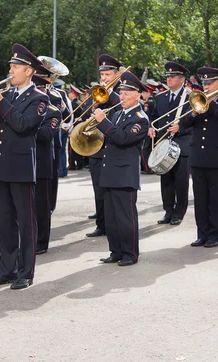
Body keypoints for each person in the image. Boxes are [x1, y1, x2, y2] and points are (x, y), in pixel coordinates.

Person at [0, 43, 49, 290]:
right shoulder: (5, 95)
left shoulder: (40, 98)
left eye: (16, 67)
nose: (11, 71)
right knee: (4, 222)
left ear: (29, 71)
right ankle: (6, 269)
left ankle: (25, 272)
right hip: (0, 164)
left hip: (20, 166)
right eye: (11, 66)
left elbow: (23, 125)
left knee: (26, 222)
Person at [94, 71, 149, 266]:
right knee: (111, 217)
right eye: (121, 93)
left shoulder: (140, 118)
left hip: (125, 174)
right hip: (110, 171)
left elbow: (123, 138)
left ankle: (130, 253)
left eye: (126, 93)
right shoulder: (117, 114)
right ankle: (115, 251)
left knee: (126, 217)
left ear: (138, 95)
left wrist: (103, 122)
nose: (122, 97)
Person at [182, 67, 218, 248]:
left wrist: (213, 104)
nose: (206, 87)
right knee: (200, 199)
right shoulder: (196, 100)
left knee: (216, 199)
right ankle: (202, 234)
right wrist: (193, 113)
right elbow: (183, 124)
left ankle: (215, 235)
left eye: (210, 83)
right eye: (204, 83)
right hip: (198, 157)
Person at [147, 62, 192, 226]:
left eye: (172, 77)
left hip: (182, 144)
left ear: (182, 79)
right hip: (163, 143)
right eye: (168, 76)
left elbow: (195, 120)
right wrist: (151, 128)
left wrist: (181, 127)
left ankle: (179, 212)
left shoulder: (190, 97)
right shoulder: (160, 97)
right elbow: (153, 116)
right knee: (166, 181)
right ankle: (168, 211)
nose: (169, 79)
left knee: (181, 182)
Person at [86, 54, 122, 238]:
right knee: (98, 191)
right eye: (102, 75)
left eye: (108, 75)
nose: (104, 79)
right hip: (96, 148)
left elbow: (121, 117)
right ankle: (101, 225)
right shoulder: (97, 93)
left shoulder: (123, 93)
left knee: (112, 193)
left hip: (113, 148)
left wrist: (111, 95)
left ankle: (113, 226)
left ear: (116, 75)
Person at [32, 72, 61, 254]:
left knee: (41, 206)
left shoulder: (53, 111)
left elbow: (46, 135)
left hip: (42, 163)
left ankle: (41, 242)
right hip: (23, 161)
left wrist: (26, 123)